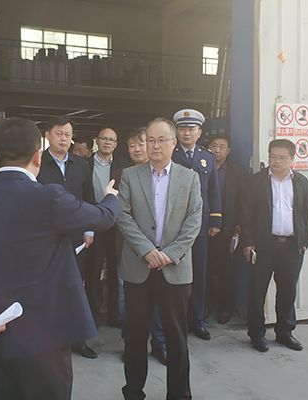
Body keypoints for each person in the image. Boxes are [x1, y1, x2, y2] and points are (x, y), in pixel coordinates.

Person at [0, 118, 120, 400]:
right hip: (46, 335)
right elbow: (104, 217)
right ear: (38, 156)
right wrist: (111, 196)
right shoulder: (48, 198)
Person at [118, 118, 202, 400]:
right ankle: (133, 391)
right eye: (150, 140)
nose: (155, 145)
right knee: (135, 335)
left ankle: (179, 394)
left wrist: (169, 254)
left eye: (161, 140)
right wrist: (146, 250)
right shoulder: (130, 175)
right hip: (138, 266)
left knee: (176, 336)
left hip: (174, 268)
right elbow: (123, 216)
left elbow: (194, 221)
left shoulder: (189, 178)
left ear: (173, 143)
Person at [240, 139, 308, 353]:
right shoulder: (256, 182)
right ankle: (257, 334)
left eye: (282, 157)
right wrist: (247, 242)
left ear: (292, 159)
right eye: (273, 156)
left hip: (291, 247)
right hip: (263, 246)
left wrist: (304, 240)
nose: (276, 161)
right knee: (257, 291)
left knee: (287, 291)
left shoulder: (301, 182)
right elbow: (245, 214)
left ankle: (285, 332)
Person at [36, 116, 98, 359]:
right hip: (46, 238)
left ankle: (77, 340)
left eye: (68, 135)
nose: (64, 138)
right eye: (59, 133)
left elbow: (88, 197)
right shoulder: (37, 162)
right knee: (47, 289)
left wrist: (89, 229)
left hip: (76, 237)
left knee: (75, 289)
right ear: (47, 135)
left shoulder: (80, 164)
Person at [114, 127, 167, 366]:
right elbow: (121, 214)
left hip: (162, 253)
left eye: (141, 143)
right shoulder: (122, 175)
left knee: (159, 301)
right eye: (131, 145)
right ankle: (132, 345)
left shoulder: (167, 175)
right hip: (129, 250)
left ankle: (159, 344)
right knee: (128, 302)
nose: (137, 149)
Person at [172, 108, 222, 341]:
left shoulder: (207, 157)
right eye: (182, 129)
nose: (186, 133)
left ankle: (197, 320)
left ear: (199, 132)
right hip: (174, 225)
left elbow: (214, 190)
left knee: (199, 274)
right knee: (175, 275)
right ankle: (177, 319)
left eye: (191, 129)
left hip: (201, 225)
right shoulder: (170, 154)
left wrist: (216, 219)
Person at [206, 134, 248, 324]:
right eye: (214, 146)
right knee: (206, 270)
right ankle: (207, 306)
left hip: (227, 229)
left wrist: (238, 226)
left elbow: (243, 201)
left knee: (225, 271)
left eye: (222, 147)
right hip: (204, 228)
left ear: (228, 150)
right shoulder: (202, 167)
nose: (217, 150)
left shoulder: (237, 172)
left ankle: (226, 308)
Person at [87, 127, 127, 326]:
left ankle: (114, 314)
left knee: (115, 269)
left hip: (115, 223)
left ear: (116, 144)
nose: (107, 142)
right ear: (97, 141)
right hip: (93, 221)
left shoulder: (122, 166)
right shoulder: (84, 164)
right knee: (93, 269)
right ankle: (93, 313)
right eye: (104, 138)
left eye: (112, 139)